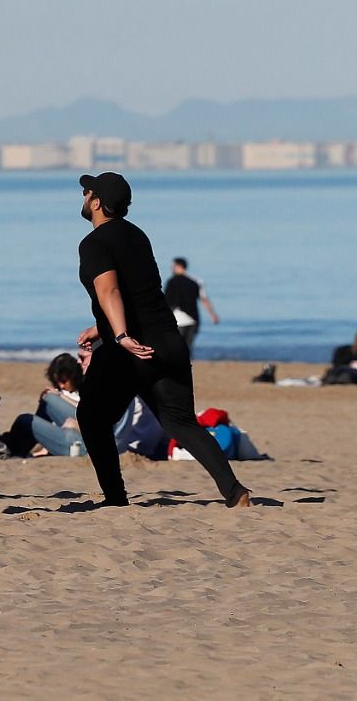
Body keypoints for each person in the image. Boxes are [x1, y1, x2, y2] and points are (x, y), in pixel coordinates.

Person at [73, 172, 251, 508]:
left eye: (87, 191)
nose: (83, 195)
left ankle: (115, 498)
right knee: (180, 422)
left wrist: (120, 335)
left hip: (133, 347)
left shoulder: (94, 243)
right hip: (169, 341)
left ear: (96, 202)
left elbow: (109, 288)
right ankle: (235, 491)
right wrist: (102, 327)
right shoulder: (138, 236)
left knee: (92, 417)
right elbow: (142, 293)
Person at [163, 258, 219, 357]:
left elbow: (166, 303)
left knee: (177, 348)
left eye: (173, 266)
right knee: (188, 348)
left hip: (176, 319)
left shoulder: (171, 282)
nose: (171, 268)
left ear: (178, 266)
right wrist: (213, 315)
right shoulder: (196, 281)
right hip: (193, 318)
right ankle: (187, 368)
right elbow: (204, 300)